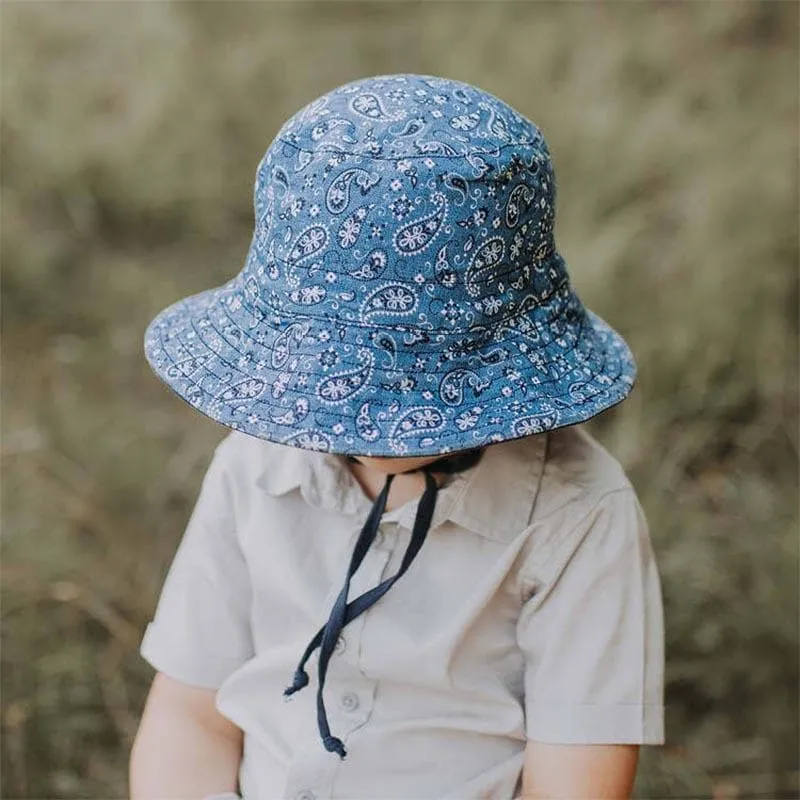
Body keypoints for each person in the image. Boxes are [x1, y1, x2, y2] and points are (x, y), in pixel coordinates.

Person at [129, 74, 664, 800]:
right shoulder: (253, 466)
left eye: (414, 385)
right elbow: (191, 717)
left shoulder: (578, 515)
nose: (373, 421)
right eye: (343, 384)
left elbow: (576, 781)